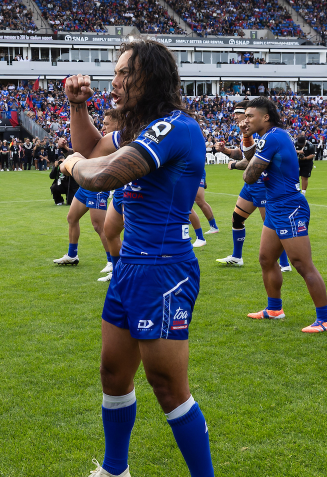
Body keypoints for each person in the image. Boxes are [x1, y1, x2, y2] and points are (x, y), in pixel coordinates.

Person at [59, 39, 214, 477]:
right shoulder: (137, 127)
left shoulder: (175, 127)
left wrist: (70, 165)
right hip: (129, 267)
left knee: (167, 387)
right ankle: (114, 469)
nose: (115, 80)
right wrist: (78, 107)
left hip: (165, 270)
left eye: (125, 72)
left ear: (152, 76)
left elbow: (101, 172)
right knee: (113, 374)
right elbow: (93, 149)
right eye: (115, 72)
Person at [229, 97, 327, 332]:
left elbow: (249, 175)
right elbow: (251, 160)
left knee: (302, 264)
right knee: (266, 259)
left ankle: (326, 319)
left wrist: (245, 166)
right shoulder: (268, 137)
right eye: (244, 116)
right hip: (276, 205)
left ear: (265, 117)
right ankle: (274, 309)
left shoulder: (273, 136)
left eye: (250, 116)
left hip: (289, 206)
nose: (246, 120)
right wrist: (248, 144)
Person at [215, 104, 290, 273]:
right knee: (237, 218)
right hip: (250, 186)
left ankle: (284, 264)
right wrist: (226, 151)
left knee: (272, 225)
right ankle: (237, 257)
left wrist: (234, 165)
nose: (236, 117)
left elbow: (251, 161)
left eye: (240, 114)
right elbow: (243, 153)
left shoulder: (261, 134)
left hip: (262, 185)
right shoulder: (247, 133)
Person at [54, 114, 115, 270]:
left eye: (107, 124)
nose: (104, 127)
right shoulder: (100, 139)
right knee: (72, 217)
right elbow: (84, 153)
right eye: (103, 124)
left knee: (99, 226)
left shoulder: (112, 140)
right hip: (86, 185)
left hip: (98, 186)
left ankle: (112, 262)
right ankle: (72, 255)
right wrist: (68, 150)